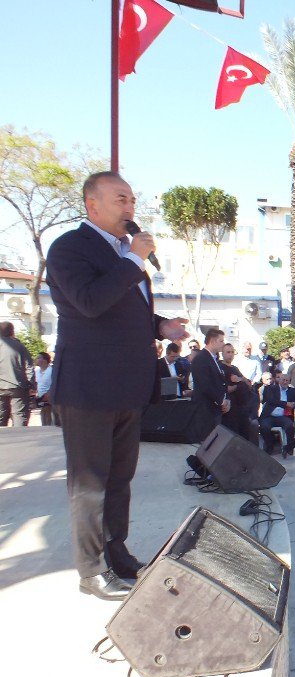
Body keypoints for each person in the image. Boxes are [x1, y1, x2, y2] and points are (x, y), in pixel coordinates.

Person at [45, 171, 188, 600]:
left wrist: (161, 326)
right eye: (121, 199)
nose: (130, 209)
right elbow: (90, 302)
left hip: (128, 385)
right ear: (92, 204)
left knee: (120, 478)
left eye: (132, 201)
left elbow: (127, 314)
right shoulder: (70, 249)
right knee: (90, 484)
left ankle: (116, 551)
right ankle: (91, 571)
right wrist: (132, 261)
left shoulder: (129, 257)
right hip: (88, 387)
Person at [190, 328, 231, 431]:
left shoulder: (214, 359)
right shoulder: (201, 359)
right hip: (205, 409)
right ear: (212, 341)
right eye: (221, 341)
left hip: (214, 409)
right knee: (206, 440)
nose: (223, 344)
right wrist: (221, 400)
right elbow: (205, 384)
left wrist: (226, 399)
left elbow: (221, 382)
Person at [0, 321, 32, 427]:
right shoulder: (20, 346)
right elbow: (29, 366)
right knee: (19, 415)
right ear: (12, 332)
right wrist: (31, 384)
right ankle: (20, 438)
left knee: (1, 416)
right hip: (18, 386)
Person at [259, 373, 295, 456]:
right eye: (283, 380)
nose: (285, 382)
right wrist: (286, 404)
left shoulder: (292, 391)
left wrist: (293, 404)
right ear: (279, 380)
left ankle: (289, 448)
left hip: (283, 416)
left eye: (287, 380)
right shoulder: (270, 388)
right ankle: (269, 446)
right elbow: (271, 401)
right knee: (264, 426)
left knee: (290, 425)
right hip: (269, 415)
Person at [32, 351, 55, 426]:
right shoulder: (36, 371)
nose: (36, 359)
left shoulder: (52, 371)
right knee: (44, 420)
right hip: (40, 399)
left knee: (50, 419)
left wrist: (49, 393)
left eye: (38, 358)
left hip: (50, 399)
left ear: (44, 360)